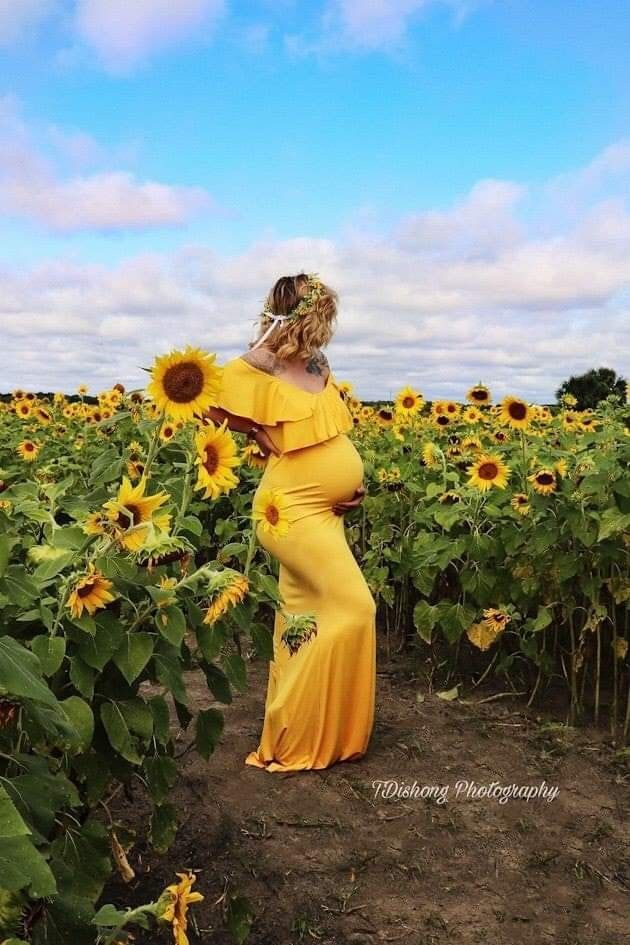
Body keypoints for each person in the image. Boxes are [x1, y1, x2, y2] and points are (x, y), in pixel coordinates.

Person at [205, 272, 376, 773]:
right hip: (291, 510)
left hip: (325, 510)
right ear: (308, 314)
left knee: (302, 620)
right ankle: (307, 733)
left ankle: (309, 734)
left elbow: (326, 433)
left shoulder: (320, 364)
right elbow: (205, 399)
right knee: (356, 608)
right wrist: (257, 430)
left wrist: (351, 486)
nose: (329, 326)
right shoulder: (263, 363)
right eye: (325, 315)